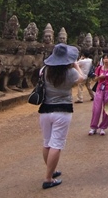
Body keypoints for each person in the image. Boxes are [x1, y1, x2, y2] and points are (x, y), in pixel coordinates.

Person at [39, 43, 85, 189]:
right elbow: (82, 78)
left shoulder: (44, 70)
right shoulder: (70, 73)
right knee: (56, 144)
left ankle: (50, 170)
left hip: (45, 109)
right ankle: (48, 178)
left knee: (47, 142)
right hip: (62, 110)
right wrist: (76, 66)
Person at [88, 54, 108, 136]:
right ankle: (93, 127)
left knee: (106, 109)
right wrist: (100, 77)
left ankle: (103, 127)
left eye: (107, 58)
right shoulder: (99, 68)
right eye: (104, 58)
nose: (106, 60)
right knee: (96, 109)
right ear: (102, 60)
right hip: (99, 90)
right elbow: (94, 79)